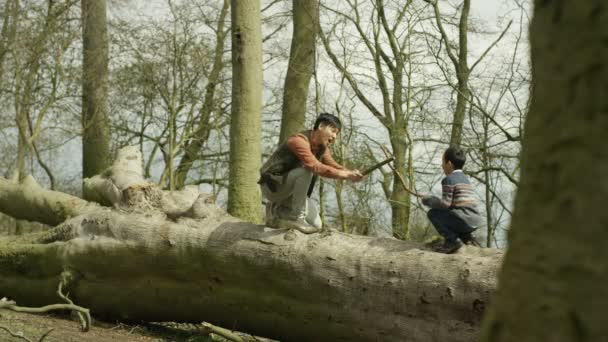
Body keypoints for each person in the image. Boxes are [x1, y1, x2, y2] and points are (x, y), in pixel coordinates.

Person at [258, 113, 363, 233]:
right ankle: (296, 217)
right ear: (321, 126)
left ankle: (276, 211)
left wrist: (350, 173)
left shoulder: (323, 148)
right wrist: (346, 175)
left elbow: (332, 165)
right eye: (333, 131)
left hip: (289, 191)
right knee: (306, 171)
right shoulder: (298, 141)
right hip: (273, 187)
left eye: (337, 134)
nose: (334, 137)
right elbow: (315, 166)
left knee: (317, 225)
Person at [422, 146, 483, 253]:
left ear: (449, 164)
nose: (442, 165)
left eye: (443, 162)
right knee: (452, 214)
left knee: (433, 213)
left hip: (464, 220)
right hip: (475, 220)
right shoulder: (465, 179)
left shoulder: (449, 179)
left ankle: (452, 241)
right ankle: (466, 237)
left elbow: (445, 204)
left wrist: (429, 200)